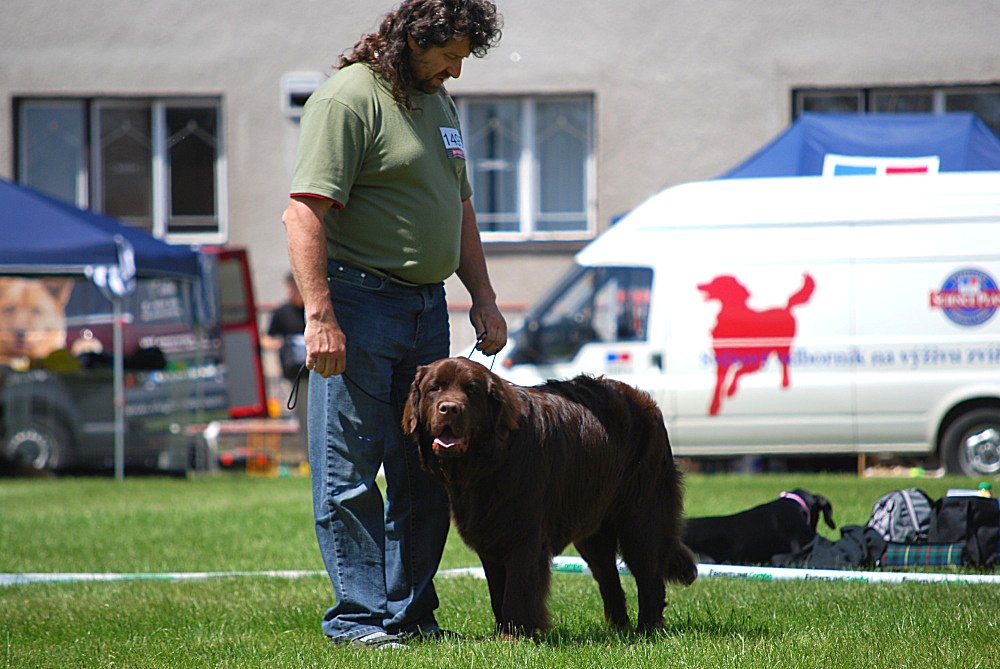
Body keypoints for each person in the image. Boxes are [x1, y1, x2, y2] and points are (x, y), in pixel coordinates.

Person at [280, 0, 505, 650]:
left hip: (426, 307)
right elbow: (304, 214)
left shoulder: (437, 104)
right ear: (414, 39)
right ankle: (357, 618)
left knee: (427, 466)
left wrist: (484, 298)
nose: (457, 70)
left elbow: (458, 206)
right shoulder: (348, 99)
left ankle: (409, 614)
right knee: (349, 469)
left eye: (465, 56)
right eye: (450, 55)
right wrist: (319, 314)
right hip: (357, 305)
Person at [266, 272, 307, 426]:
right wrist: (285, 344)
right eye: (290, 288)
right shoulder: (283, 312)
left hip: (317, 372)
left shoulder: (312, 311)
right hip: (294, 373)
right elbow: (267, 338)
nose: (291, 292)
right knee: (301, 415)